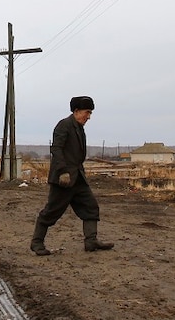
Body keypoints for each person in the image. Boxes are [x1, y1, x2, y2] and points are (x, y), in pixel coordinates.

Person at [31, 96, 114, 255]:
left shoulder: (79, 128)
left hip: (78, 178)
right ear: (76, 111)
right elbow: (56, 149)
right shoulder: (64, 125)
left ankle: (91, 241)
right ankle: (36, 243)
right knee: (51, 212)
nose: (89, 117)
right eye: (87, 112)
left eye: (90, 113)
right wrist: (62, 171)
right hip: (64, 179)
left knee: (91, 206)